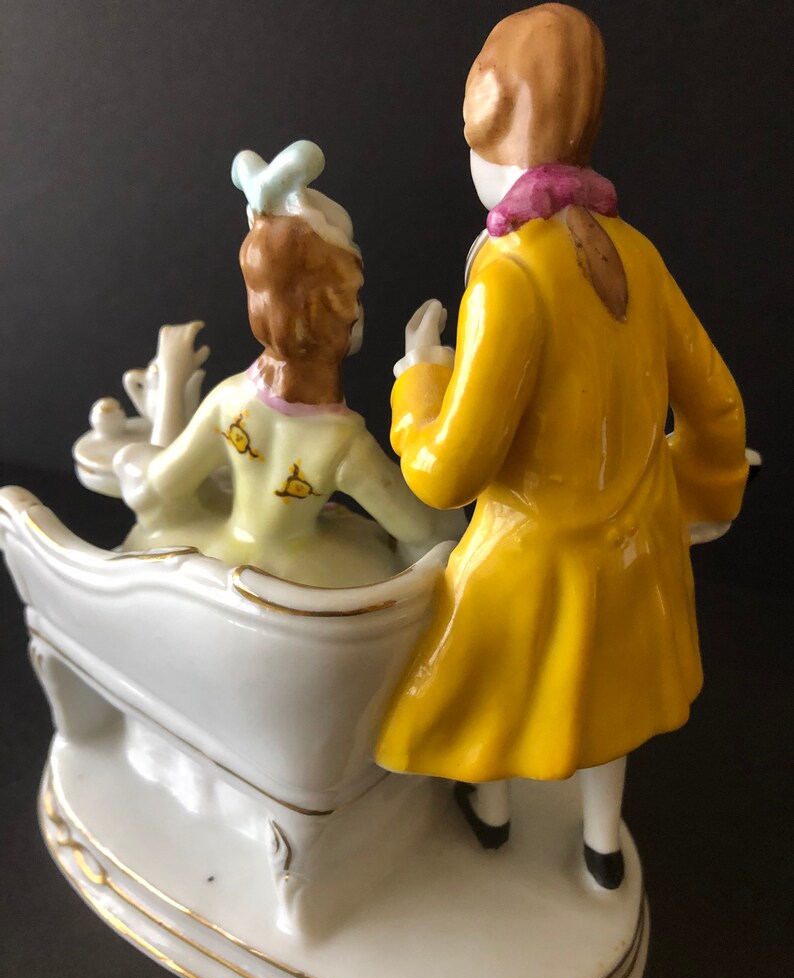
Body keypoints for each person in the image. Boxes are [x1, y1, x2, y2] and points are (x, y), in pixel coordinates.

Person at [375, 4, 748, 888]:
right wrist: (689, 499)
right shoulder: (638, 253)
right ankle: (601, 842)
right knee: (610, 700)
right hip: (634, 553)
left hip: (532, 557)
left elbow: (447, 474)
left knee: (483, 678)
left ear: (492, 128)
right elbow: (719, 401)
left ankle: (493, 812)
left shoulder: (509, 273)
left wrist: (416, 384)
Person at [115, 142, 450, 587]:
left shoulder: (229, 400)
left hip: (219, 563)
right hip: (299, 584)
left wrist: (132, 453)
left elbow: (157, 488)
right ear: (345, 311)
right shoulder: (342, 444)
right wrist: (423, 378)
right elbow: (428, 531)